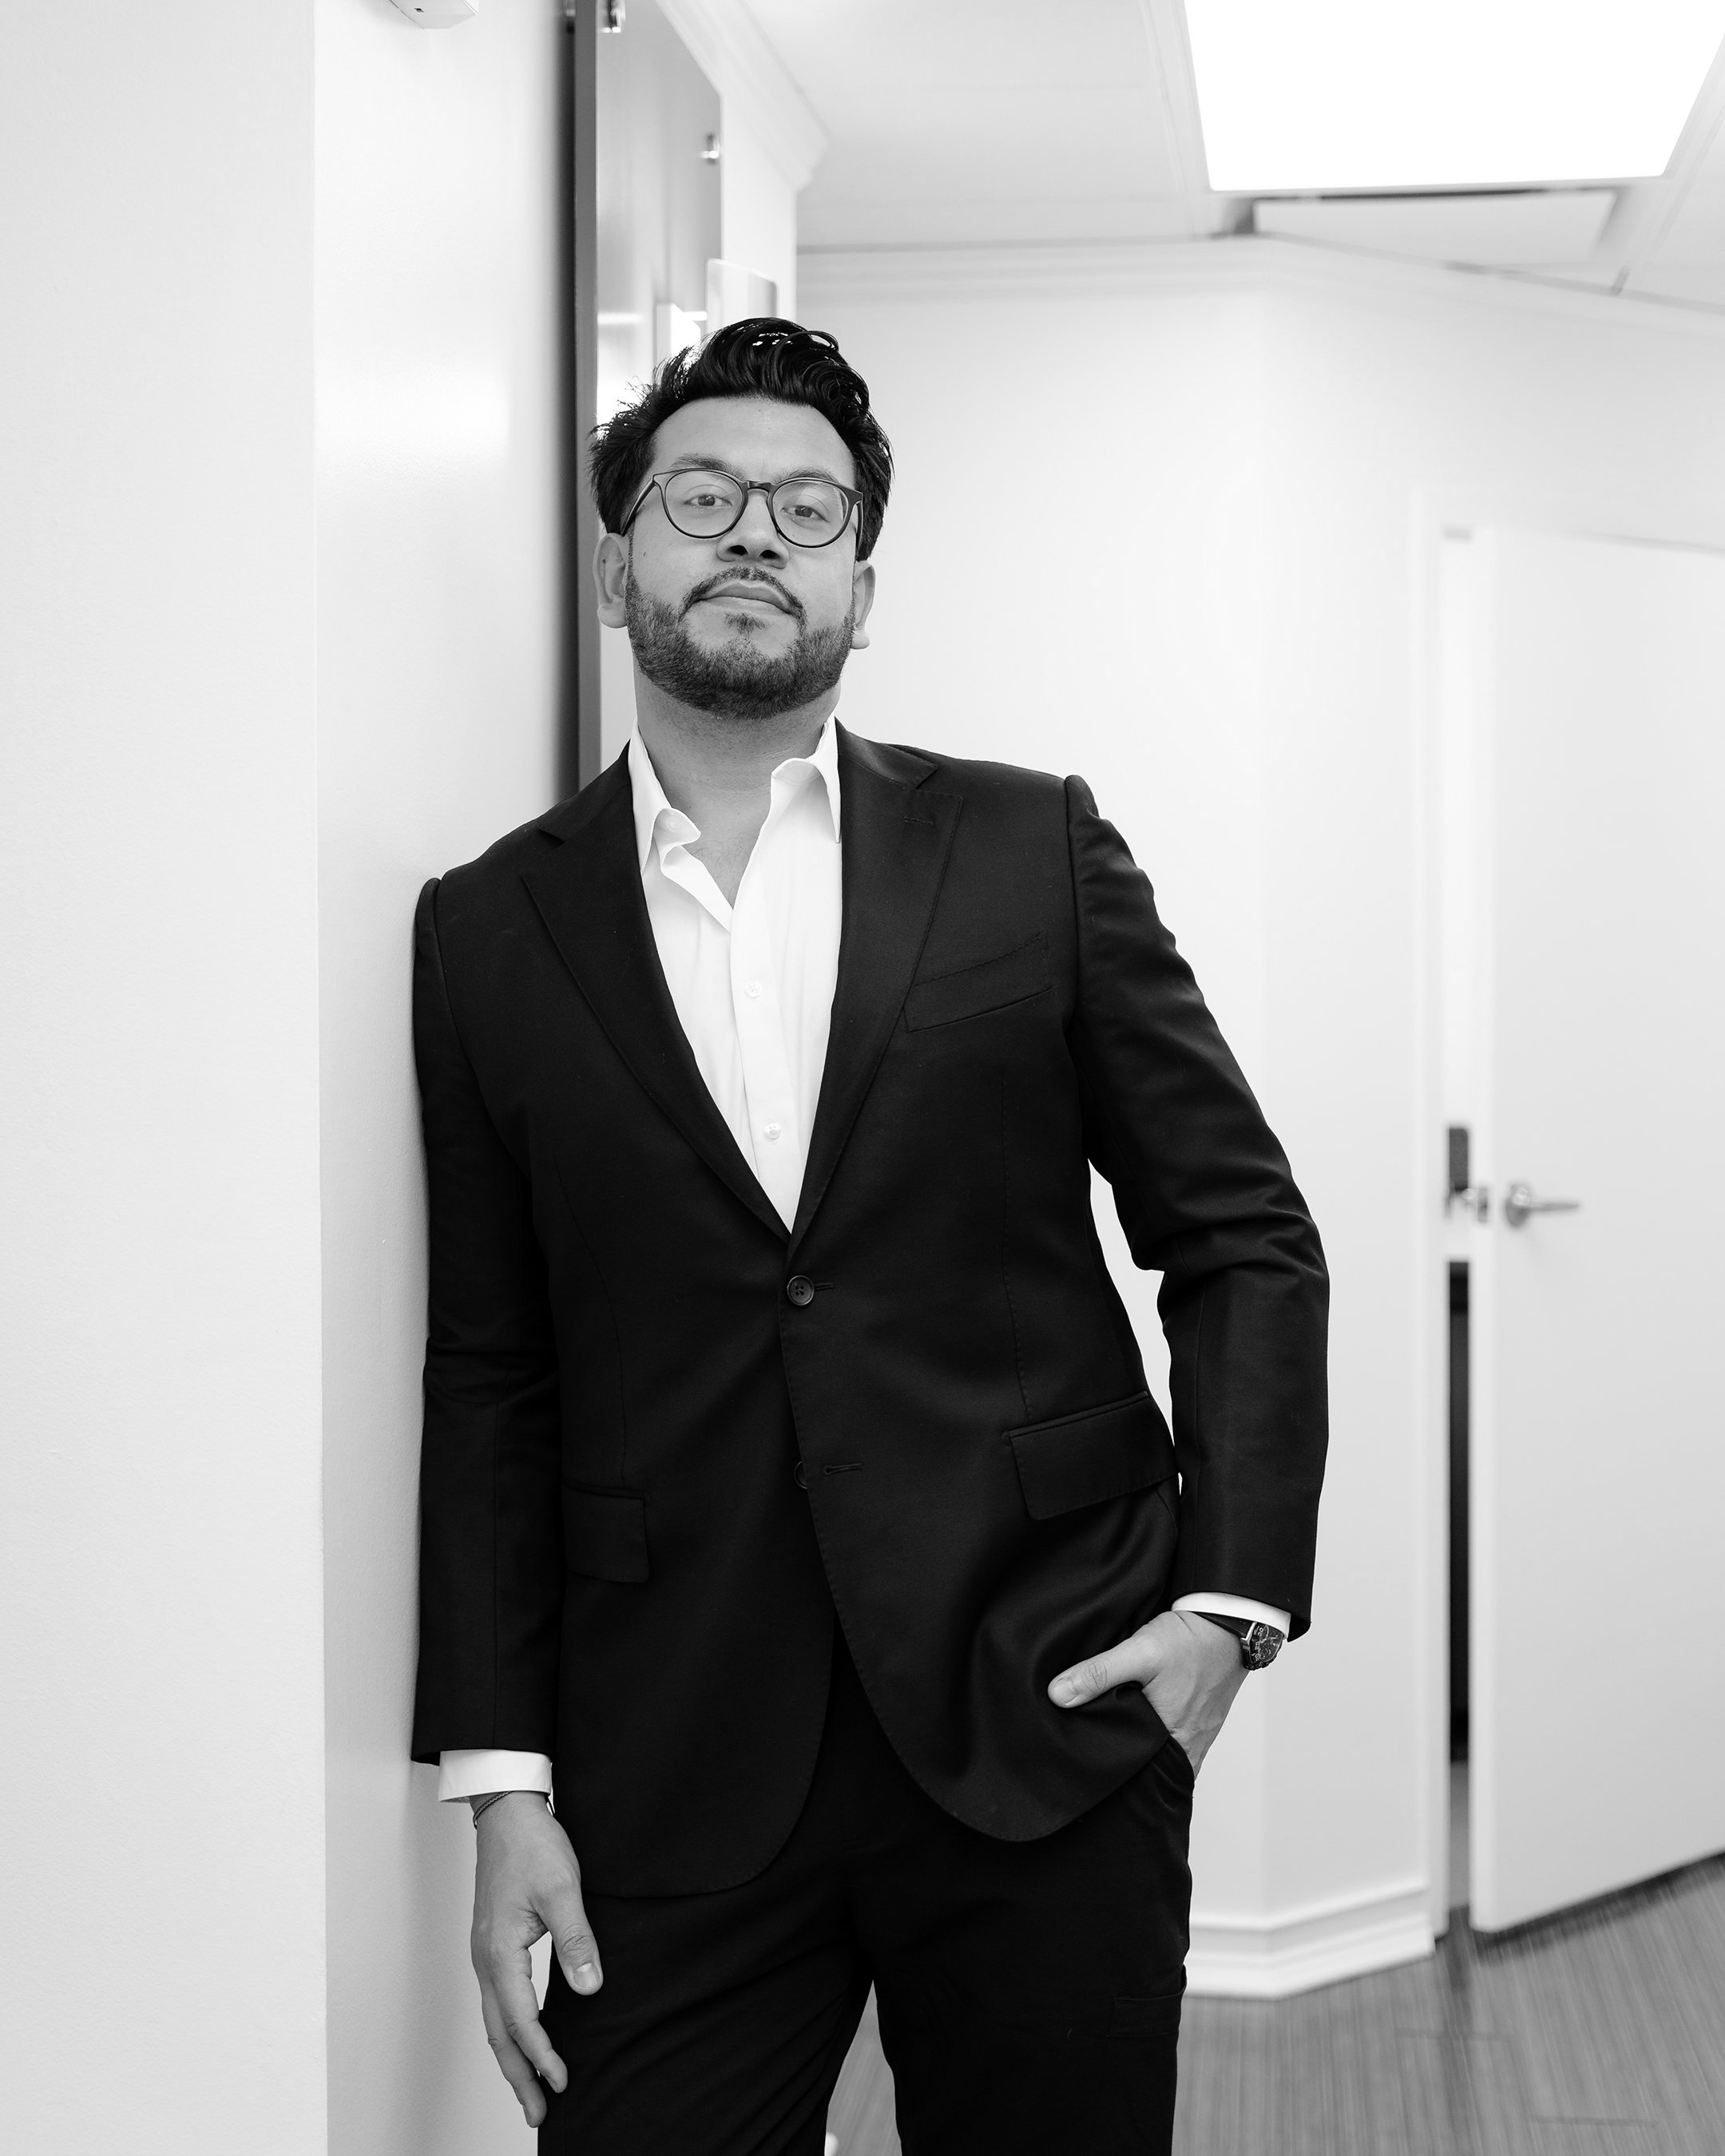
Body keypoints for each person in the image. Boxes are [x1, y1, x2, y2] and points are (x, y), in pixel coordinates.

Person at [410, 319, 1327, 2155]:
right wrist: (504, 1782)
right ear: (620, 564)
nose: (756, 533)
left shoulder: (1030, 849)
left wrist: (1230, 1605)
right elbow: (496, 1365)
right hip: (670, 1764)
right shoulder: (488, 930)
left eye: (807, 508)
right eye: (704, 494)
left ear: (861, 584)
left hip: (1044, 1707)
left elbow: (1242, 1235)